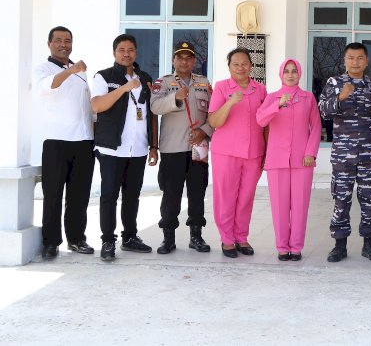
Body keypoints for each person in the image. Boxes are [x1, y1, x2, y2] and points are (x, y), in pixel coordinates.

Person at [318, 42, 371, 263]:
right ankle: (340, 245)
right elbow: (323, 112)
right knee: (341, 199)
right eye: (351, 58)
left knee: (369, 199)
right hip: (343, 155)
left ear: (366, 61)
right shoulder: (334, 83)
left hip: (369, 154)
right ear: (345, 60)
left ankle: (369, 244)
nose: (355, 62)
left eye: (360, 58)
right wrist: (340, 97)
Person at [91, 34, 159, 261]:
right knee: (109, 195)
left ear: (136, 52)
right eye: (121, 50)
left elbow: (151, 114)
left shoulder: (146, 77)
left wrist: (153, 145)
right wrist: (124, 88)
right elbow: (98, 105)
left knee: (132, 195)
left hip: (138, 148)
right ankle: (108, 241)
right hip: (112, 149)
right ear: (114, 53)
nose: (126, 53)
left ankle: (129, 237)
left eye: (130, 49)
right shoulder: (104, 76)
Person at [34, 26, 96, 260]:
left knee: (79, 195)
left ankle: (77, 239)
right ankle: (51, 242)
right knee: (53, 195)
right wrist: (71, 70)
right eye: (58, 40)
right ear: (49, 43)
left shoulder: (80, 72)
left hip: (83, 140)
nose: (63, 44)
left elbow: (87, 105)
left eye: (67, 40)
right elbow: (50, 85)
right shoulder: (44, 69)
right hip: (57, 140)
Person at [150, 41, 214, 254]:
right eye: (180, 57)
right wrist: (174, 97)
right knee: (171, 194)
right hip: (172, 148)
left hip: (199, 147)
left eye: (188, 57)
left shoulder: (204, 83)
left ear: (194, 61)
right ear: (173, 61)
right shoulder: (163, 82)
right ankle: (168, 237)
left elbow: (213, 114)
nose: (184, 61)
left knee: (198, 193)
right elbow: (155, 107)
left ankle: (196, 236)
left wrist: (204, 131)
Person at [256, 59, 322, 261]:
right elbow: (260, 120)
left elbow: (317, 126)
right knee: (279, 205)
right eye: (287, 71)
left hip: (303, 160)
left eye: (294, 71)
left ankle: (296, 247)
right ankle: (282, 247)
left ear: (300, 74)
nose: (291, 75)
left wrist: (311, 152)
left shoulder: (308, 97)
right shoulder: (272, 97)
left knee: (300, 205)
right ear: (281, 74)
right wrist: (277, 104)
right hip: (277, 160)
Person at [207, 48, 267, 258]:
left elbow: (266, 122)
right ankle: (227, 239)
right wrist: (231, 102)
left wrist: (266, 150)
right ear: (229, 67)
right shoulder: (222, 88)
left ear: (251, 65)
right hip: (226, 152)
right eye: (236, 64)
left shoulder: (260, 89)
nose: (240, 67)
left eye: (244, 63)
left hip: (253, 152)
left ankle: (241, 237)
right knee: (226, 196)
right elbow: (214, 121)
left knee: (246, 197)